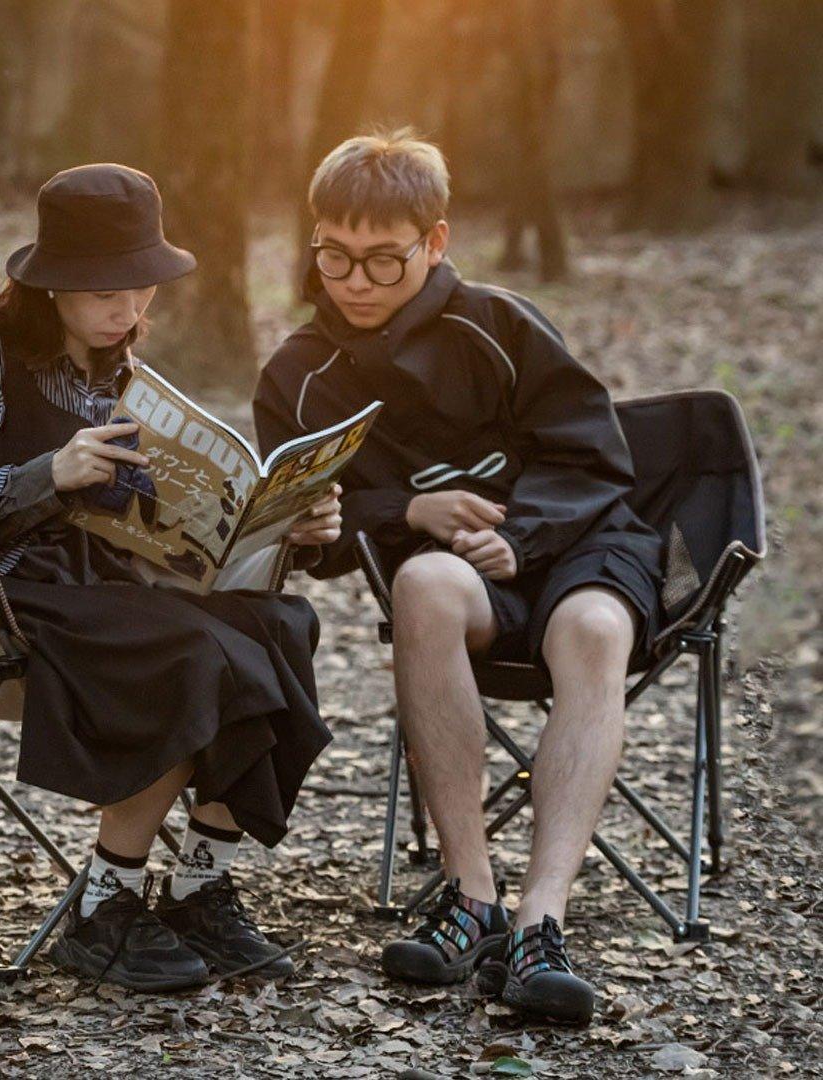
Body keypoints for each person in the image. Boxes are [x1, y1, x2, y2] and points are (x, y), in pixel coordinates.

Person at [0, 163, 342, 992]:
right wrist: (46, 475)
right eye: (106, 295)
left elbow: (148, 519)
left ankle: (198, 885)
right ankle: (105, 905)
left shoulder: (115, 363)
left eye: (141, 291)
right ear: (52, 286)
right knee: (186, 652)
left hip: (94, 580)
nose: (130, 313)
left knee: (280, 626)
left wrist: (279, 525)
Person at [254, 131, 664, 1024]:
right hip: (456, 585)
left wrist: (522, 533)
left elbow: (596, 461)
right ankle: (471, 896)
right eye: (333, 256)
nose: (354, 281)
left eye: (382, 260)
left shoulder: (500, 324)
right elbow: (311, 538)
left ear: (434, 242)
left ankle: (540, 922)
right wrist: (395, 511)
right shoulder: (296, 373)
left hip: (580, 546)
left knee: (594, 633)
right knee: (423, 585)